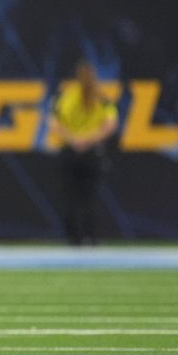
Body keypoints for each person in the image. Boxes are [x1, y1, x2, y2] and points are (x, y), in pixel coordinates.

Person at [49, 61, 118, 246]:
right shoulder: (101, 97)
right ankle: (92, 238)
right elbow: (111, 125)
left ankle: (73, 239)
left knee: (71, 197)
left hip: (70, 152)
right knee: (90, 197)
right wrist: (89, 139)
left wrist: (74, 140)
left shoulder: (66, 96)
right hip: (92, 153)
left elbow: (54, 124)